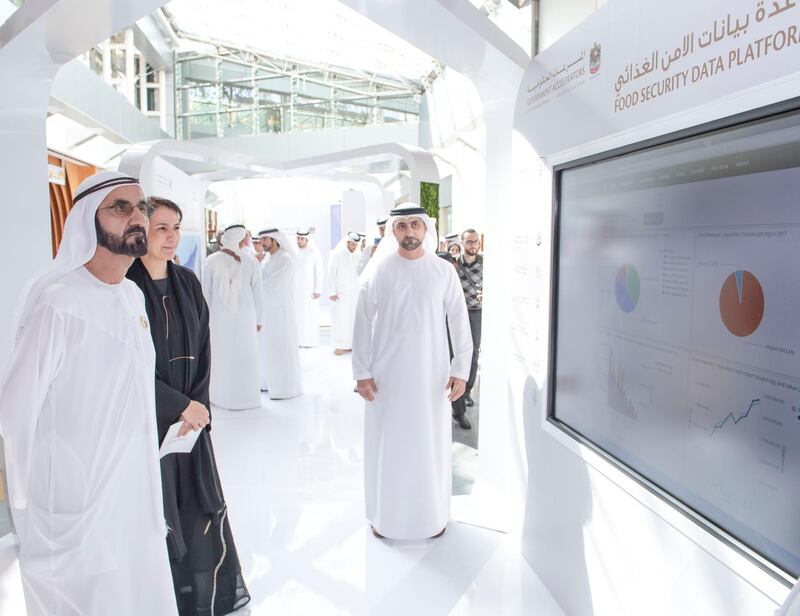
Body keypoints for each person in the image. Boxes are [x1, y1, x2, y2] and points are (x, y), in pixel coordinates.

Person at [0, 171, 178, 615]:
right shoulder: (58, 300)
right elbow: (16, 409)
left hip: (133, 491)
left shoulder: (133, 297)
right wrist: (21, 498)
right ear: (86, 220)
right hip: (73, 496)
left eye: (141, 208)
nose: (136, 217)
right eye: (120, 208)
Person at [127, 197, 250, 615]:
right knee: (155, 511)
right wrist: (177, 405)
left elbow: (203, 348)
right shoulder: (124, 287)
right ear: (141, 230)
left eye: (176, 227)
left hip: (190, 425)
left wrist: (197, 406)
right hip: (147, 423)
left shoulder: (188, 282)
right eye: (161, 227)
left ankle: (200, 597)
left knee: (195, 507)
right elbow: (126, 365)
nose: (171, 236)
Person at [352, 204, 472, 540]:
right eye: (402, 226)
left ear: (425, 229)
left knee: (429, 444)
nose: (409, 232)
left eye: (415, 225)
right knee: (389, 444)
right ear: (393, 231)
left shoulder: (442, 271)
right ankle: (385, 518)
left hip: (431, 376)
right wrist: (361, 371)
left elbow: (459, 322)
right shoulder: (379, 271)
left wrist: (461, 369)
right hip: (386, 378)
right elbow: (361, 323)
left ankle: (431, 517)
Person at [203, 224, 263, 409]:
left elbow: (205, 295)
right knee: (245, 354)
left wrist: (205, 320)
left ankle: (221, 396)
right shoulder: (251, 261)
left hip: (219, 318)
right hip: (246, 318)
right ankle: (247, 397)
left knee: (223, 355)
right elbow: (258, 294)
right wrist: (259, 320)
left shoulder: (211, 260)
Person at [258, 228, 303, 399]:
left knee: (281, 347)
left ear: (275, 240)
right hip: (269, 312)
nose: (262, 243)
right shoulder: (270, 261)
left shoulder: (285, 260)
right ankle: (270, 383)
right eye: (261, 240)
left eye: (265, 240)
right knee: (270, 348)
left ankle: (285, 388)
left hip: (281, 312)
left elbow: (272, 285)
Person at [451, 228, 484, 427]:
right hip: (453, 315)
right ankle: (457, 404)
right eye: (469, 242)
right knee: (454, 355)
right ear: (462, 243)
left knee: (472, 354)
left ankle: (467, 391)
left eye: (476, 242)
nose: (473, 245)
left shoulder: (486, 264)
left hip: (475, 313)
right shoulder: (452, 264)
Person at [328, 231, 361, 355]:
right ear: (347, 242)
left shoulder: (358, 256)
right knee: (341, 320)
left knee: (352, 320)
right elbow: (332, 274)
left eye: (356, 245)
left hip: (354, 294)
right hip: (340, 294)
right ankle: (340, 345)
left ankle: (351, 345)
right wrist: (332, 291)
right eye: (353, 245)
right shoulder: (338, 255)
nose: (354, 247)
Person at [294, 228, 324, 347]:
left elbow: (319, 272)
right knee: (298, 315)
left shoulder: (314, 252)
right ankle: (298, 341)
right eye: (298, 238)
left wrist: (318, 290)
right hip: (296, 290)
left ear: (307, 239)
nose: (299, 241)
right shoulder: (294, 251)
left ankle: (309, 342)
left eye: (302, 239)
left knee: (309, 315)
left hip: (310, 291)